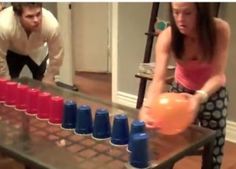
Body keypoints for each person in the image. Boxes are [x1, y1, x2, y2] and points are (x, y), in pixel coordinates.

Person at [139, 3, 230, 169]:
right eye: (176, 12)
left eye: (187, 13)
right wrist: (147, 107)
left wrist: (198, 98)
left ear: (200, 12)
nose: (180, 19)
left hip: (213, 93)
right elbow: (158, 79)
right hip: (180, 91)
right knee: (168, 145)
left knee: (214, 146)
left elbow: (218, 75)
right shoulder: (167, 36)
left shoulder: (219, 30)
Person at [0, 3, 63, 85]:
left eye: (38, 14)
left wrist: (50, 77)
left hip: (38, 51)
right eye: (30, 16)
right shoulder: (3, 24)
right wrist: (5, 81)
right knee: (7, 86)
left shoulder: (51, 24)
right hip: (12, 51)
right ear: (17, 16)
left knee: (45, 86)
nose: (36, 20)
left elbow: (56, 55)